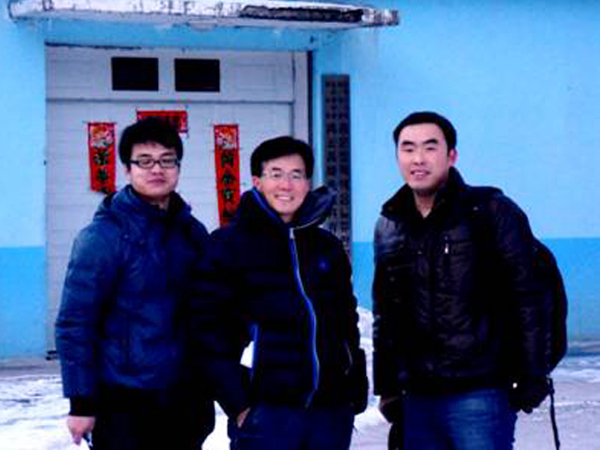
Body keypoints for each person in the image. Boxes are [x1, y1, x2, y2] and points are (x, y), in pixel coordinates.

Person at [372, 111, 551, 449]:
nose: (418, 158)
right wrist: (388, 388)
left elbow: (528, 296)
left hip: (479, 393)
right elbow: (386, 314)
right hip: (417, 397)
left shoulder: (490, 212)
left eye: (430, 147)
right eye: (408, 148)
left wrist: (533, 374)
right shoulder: (390, 224)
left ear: (451, 155)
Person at [191, 136, 368, 450]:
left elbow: (346, 321)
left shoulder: (326, 247)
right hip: (267, 415)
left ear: (308, 183)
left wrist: (352, 387)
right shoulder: (228, 246)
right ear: (257, 181)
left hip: (330, 413)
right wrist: (239, 404)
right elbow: (208, 331)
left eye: (296, 175)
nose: (286, 185)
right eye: (276, 174)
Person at [55, 117, 214, 449]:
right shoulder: (102, 236)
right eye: (144, 161)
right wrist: (81, 402)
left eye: (167, 160)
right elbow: (75, 323)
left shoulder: (192, 232)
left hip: (185, 396)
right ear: (127, 169)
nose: (157, 169)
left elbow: (208, 310)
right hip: (123, 400)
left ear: (178, 167)